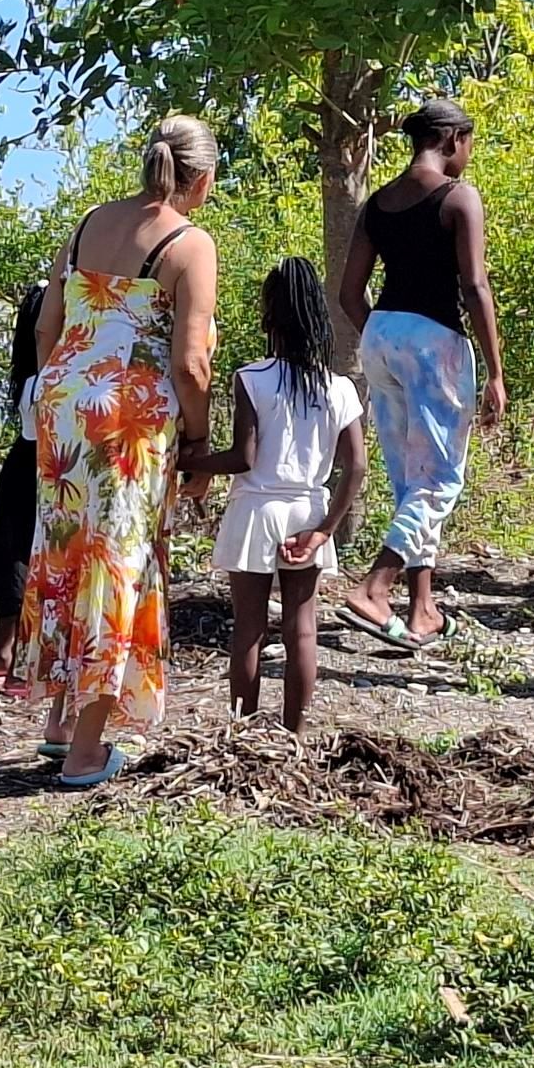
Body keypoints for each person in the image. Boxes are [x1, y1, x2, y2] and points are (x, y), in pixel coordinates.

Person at [18, 116, 219, 787]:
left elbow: (48, 324)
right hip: (129, 416)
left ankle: (58, 722)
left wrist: (62, 390)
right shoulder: (190, 244)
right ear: (202, 178)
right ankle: (85, 751)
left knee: (66, 552)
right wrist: (198, 438)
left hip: (64, 400)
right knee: (118, 564)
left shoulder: (87, 223)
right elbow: (190, 363)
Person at [335, 98, 506, 650]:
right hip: (436, 343)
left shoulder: (378, 202)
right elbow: (475, 286)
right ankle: (375, 587)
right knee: (438, 479)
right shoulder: (459, 197)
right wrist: (496, 371)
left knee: (412, 479)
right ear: (454, 139)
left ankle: (422, 608)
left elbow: (349, 292)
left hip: (381, 333)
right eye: (468, 143)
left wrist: (383, 334)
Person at [183, 258, 365, 732]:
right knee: (302, 628)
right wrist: (324, 531)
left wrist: (187, 462)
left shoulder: (252, 378)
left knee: (249, 629)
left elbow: (242, 458)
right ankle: (295, 734)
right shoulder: (340, 388)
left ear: (269, 318)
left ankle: (243, 731)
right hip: (308, 508)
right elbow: (356, 466)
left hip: (255, 510)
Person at [0, 282, 47, 692]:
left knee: (18, 557)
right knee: (35, 560)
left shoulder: (27, 380)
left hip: (22, 468)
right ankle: (20, 662)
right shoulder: (53, 381)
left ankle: (2, 653)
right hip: (47, 470)